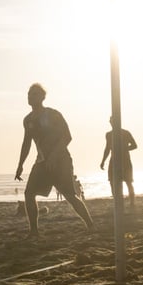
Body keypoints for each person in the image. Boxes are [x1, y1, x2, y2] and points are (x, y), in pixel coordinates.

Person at [14, 83, 94, 237]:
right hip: (41, 162)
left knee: (70, 195)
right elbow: (26, 143)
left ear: (42, 97)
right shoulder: (28, 119)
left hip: (61, 160)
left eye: (34, 94)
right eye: (29, 94)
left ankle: (90, 225)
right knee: (29, 194)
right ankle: (34, 232)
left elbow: (67, 137)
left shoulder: (53, 114)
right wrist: (20, 164)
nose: (30, 96)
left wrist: (53, 156)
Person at [100, 117, 138, 208]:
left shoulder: (125, 133)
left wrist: (124, 148)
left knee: (128, 181)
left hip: (125, 159)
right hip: (113, 160)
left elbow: (135, 145)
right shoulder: (109, 134)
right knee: (112, 181)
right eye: (110, 121)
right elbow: (107, 149)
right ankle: (117, 200)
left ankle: (132, 202)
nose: (110, 123)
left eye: (112, 121)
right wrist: (103, 161)